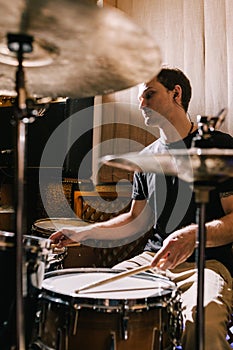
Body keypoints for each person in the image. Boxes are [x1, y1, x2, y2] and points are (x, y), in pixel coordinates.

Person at [50, 68, 233, 350]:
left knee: (202, 322)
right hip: (153, 259)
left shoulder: (219, 149)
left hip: (206, 264)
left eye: (149, 95)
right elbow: (136, 220)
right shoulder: (146, 158)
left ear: (176, 94)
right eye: (140, 97)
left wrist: (193, 236)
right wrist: (83, 233)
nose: (142, 103)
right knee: (95, 300)